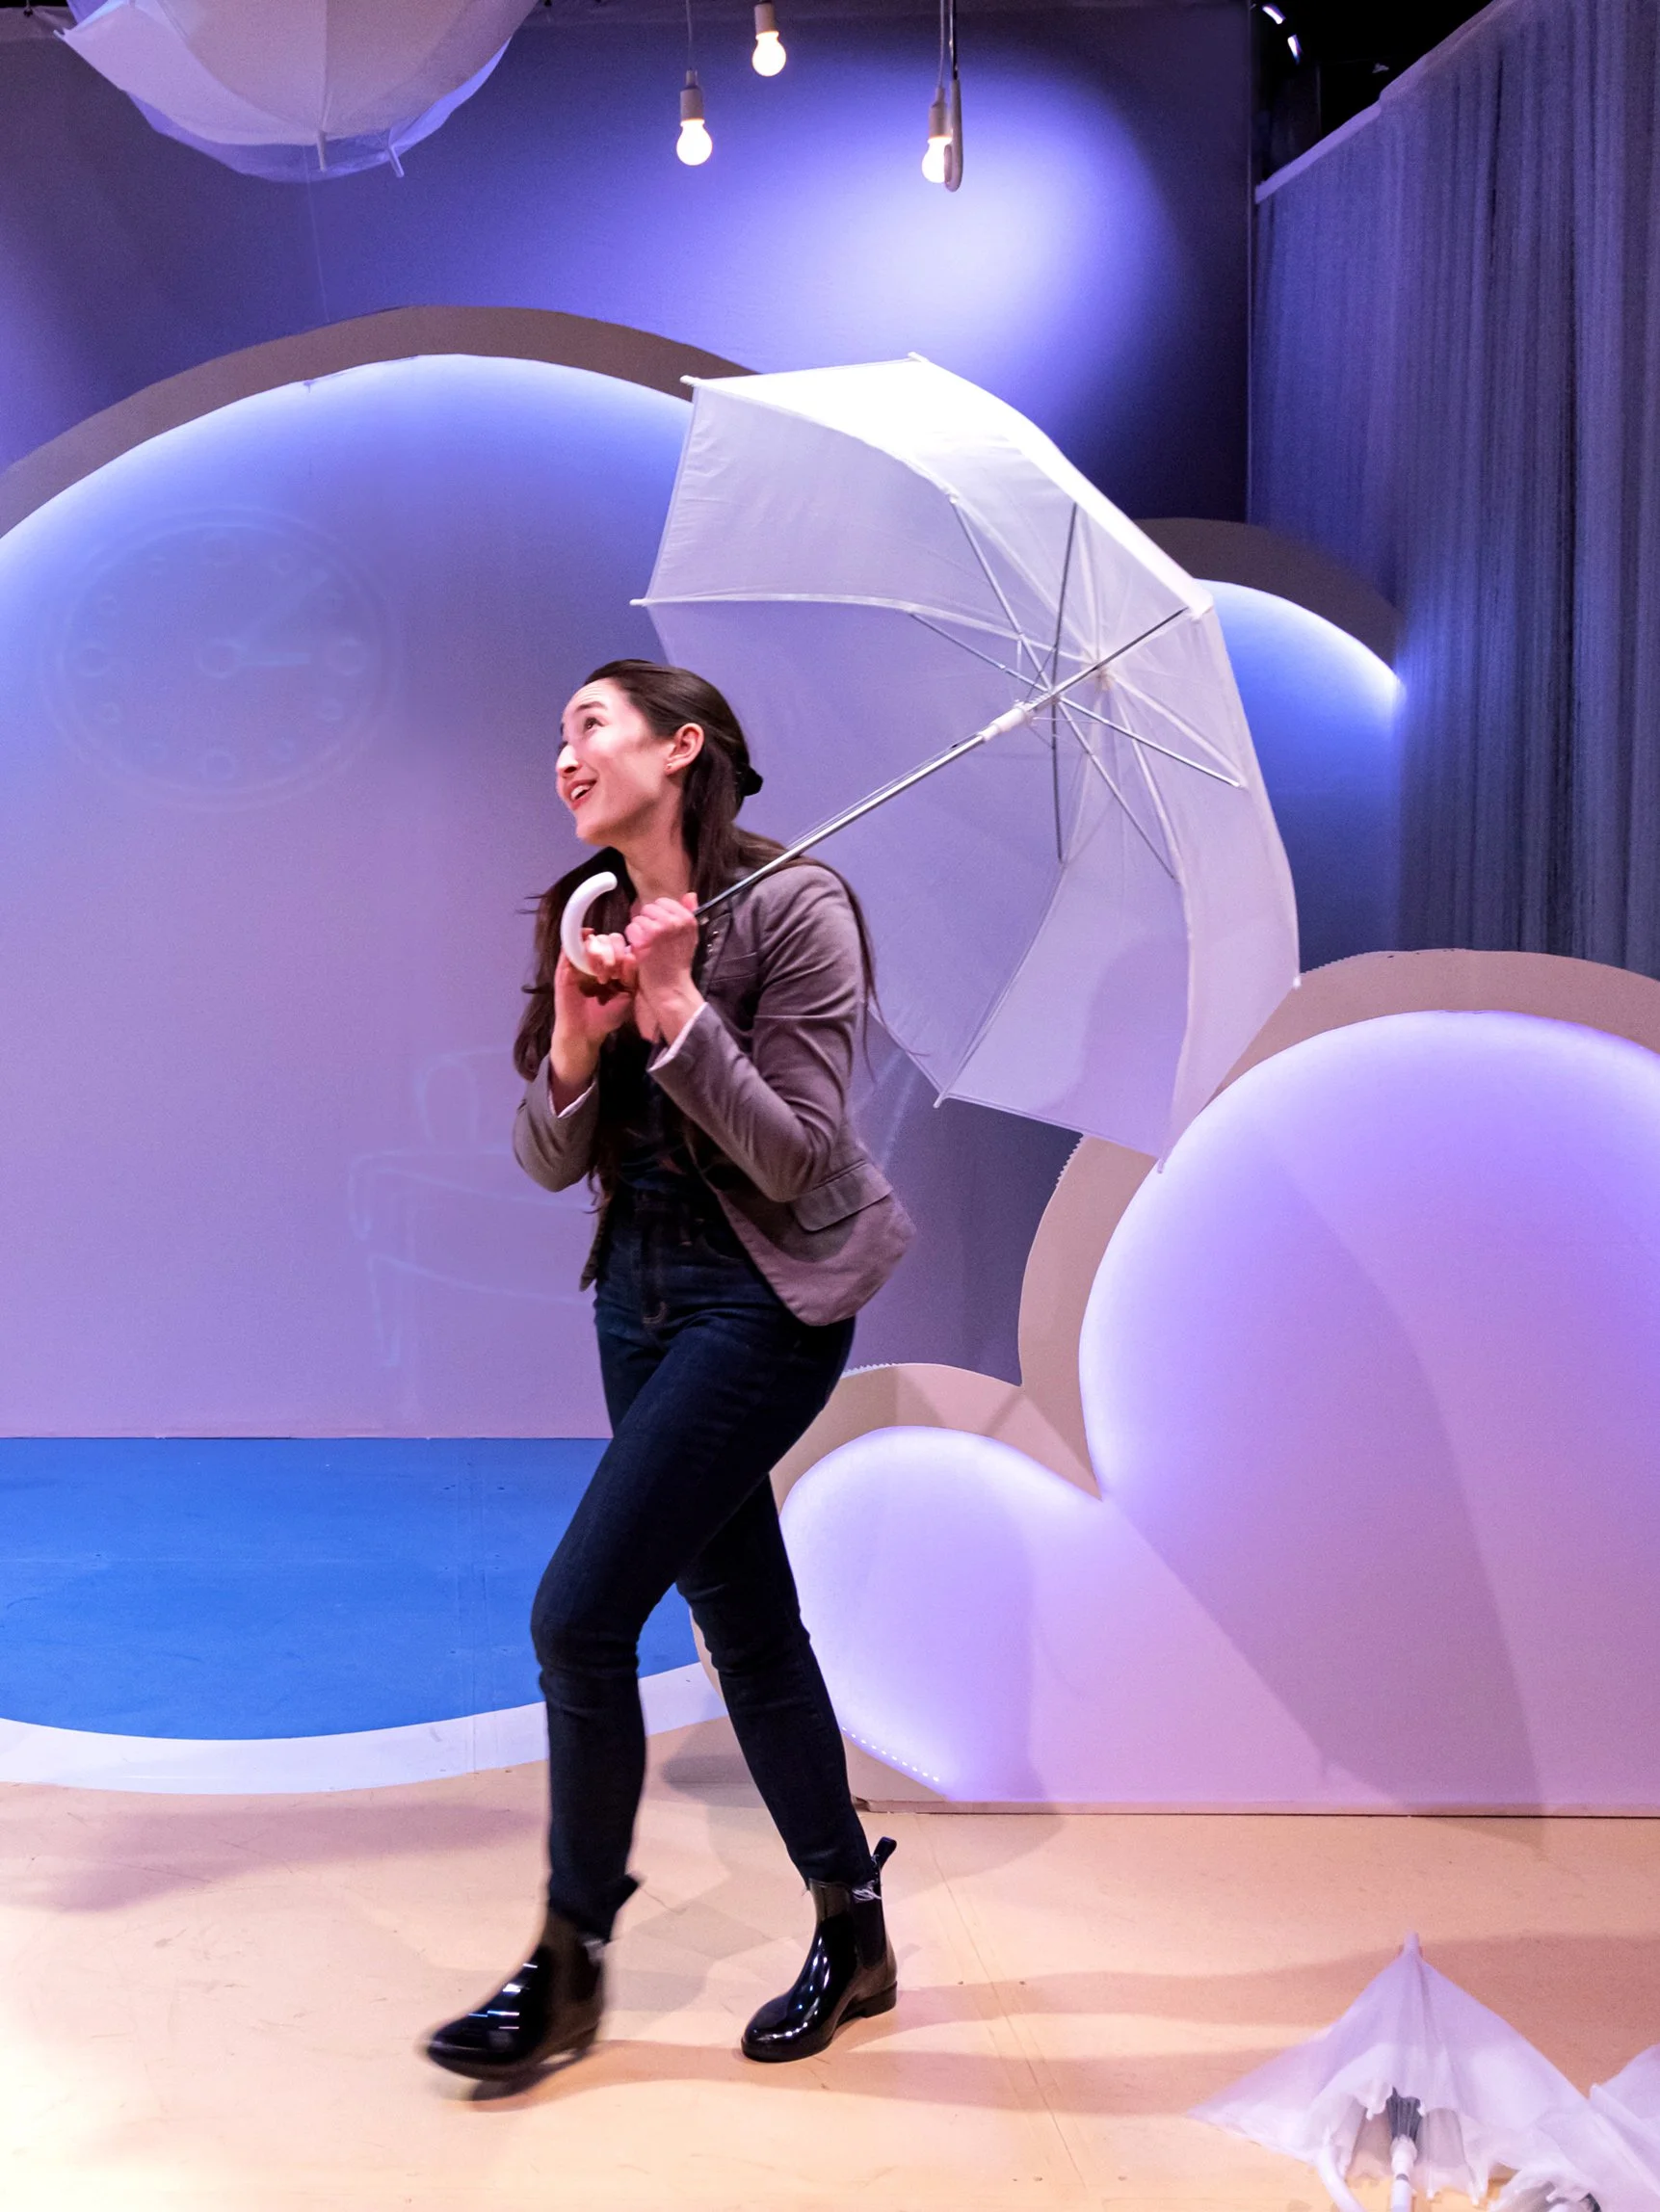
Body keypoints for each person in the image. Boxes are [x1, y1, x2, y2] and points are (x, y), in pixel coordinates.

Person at [425, 659, 913, 2086]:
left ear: (681, 746)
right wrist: (580, 1041)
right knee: (744, 1620)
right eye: (557, 733)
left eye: (589, 724)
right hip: (635, 1298)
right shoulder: (584, 907)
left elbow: (799, 1156)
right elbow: (547, 1157)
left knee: (579, 1619)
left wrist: (680, 1003)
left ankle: (567, 1964)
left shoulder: (799, 908)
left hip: (761, 1304)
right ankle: (855, 1930)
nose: (564, 756)